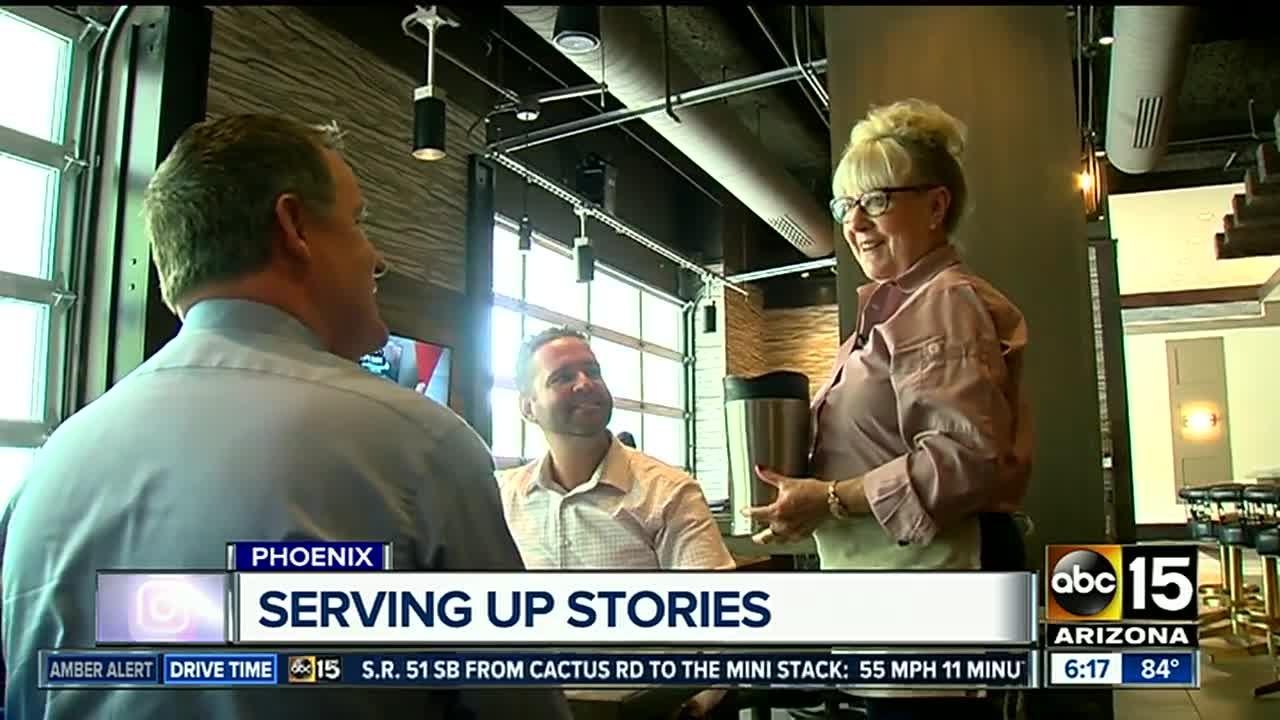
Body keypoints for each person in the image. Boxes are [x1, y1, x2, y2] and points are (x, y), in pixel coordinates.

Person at [0, 114, 571, 720]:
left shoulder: (50, 468)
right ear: (294, 226)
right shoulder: (419, 445)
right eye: (357, 222)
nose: (376, 258)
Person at [743, 99, 1033, 719]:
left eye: (876, 200)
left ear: (935, 206)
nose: (855, 222)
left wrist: (827, 500)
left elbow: (963, 462)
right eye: (845, 205)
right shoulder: (897, 309)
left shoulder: (940, 305)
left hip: (932, 596)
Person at [497, 327, 733, 717]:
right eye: (562, 377)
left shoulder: (667, 492)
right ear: (527, 407)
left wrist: (694, 703)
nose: (585, 384)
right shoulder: (505, 497)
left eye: (592, 371)